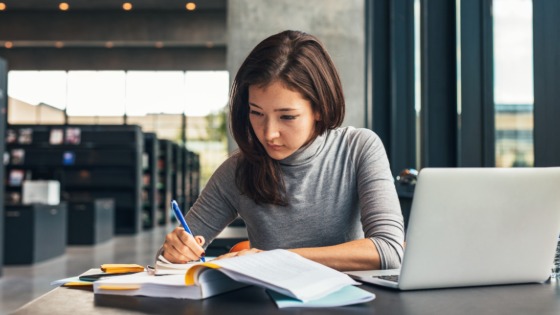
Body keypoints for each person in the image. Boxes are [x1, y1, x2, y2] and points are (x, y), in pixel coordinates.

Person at [160, 30, 404, 271]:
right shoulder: (236, 171)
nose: (269, 134)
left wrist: (273, 258)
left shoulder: (358, 148)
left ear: (319, 108)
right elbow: (165, 262)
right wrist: (174, 252)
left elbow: (389, 250)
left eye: (287, 116)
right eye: (256, 113)